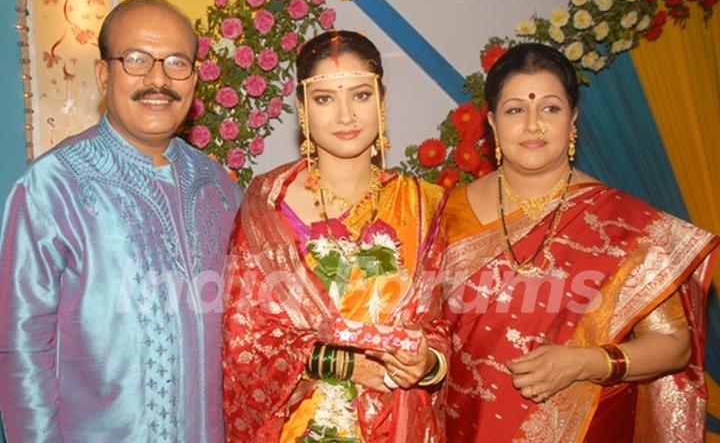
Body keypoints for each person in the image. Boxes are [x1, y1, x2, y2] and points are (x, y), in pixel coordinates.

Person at [442, 43, 719, 442]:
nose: (533, 125)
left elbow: (674, 345)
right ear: (492, 122)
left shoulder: (623, 224)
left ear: (573, 120)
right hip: (465, 426)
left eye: (550, 108)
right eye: (516, 109)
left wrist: (586, 362)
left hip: (588, 427)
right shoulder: (445, 217)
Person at [0, 0, 242, 442]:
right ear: (103, 73)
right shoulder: (52, 188)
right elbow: (21, 349)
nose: (158, 79)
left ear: (194, 80)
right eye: (136, 59)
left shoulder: (220, 190)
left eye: (176, 62)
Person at [222, 30, 449, 442]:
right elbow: (246, 341)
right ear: (302, 109)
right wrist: (345, 365)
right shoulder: (267, 208)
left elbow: (441, 324)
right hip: (301, 426)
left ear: (381, 102)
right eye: (325, 98)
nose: (346, 116)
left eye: (360, 96)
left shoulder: (421, 204)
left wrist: (428, 363)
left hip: (399, 422)